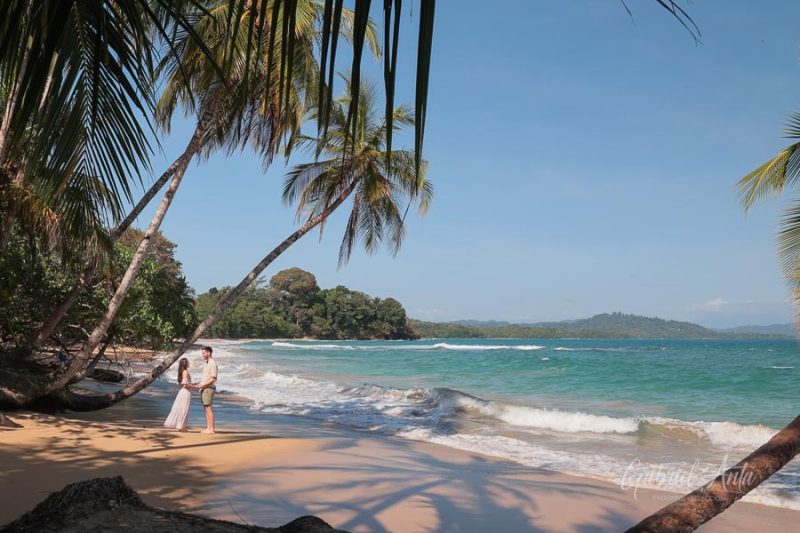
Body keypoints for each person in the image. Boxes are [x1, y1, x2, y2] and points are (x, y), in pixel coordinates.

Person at [190, 346, 217, 434]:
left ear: (208, 353)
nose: (202, 355)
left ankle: (211, 429)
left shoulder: (212, 363)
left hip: (208, 388)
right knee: (206, 408)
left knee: (208, 408)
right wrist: (199, 384)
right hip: (205, 388)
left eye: (203, 353)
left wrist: (203, 385)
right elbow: (206, 377)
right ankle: (208, 428)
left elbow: (213, 379)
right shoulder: (207, 363)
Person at [163, 358, 192, 432]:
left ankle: (181, 426)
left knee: (181, 408)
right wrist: (195, 385)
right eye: (188, 362)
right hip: (186, 392)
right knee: (184, 409)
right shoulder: (185, 371)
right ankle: (182, 427)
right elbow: (185, 384)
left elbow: (181, 383)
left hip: (182, 392)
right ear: (185, 364)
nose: (189, 363)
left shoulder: (181, 371)